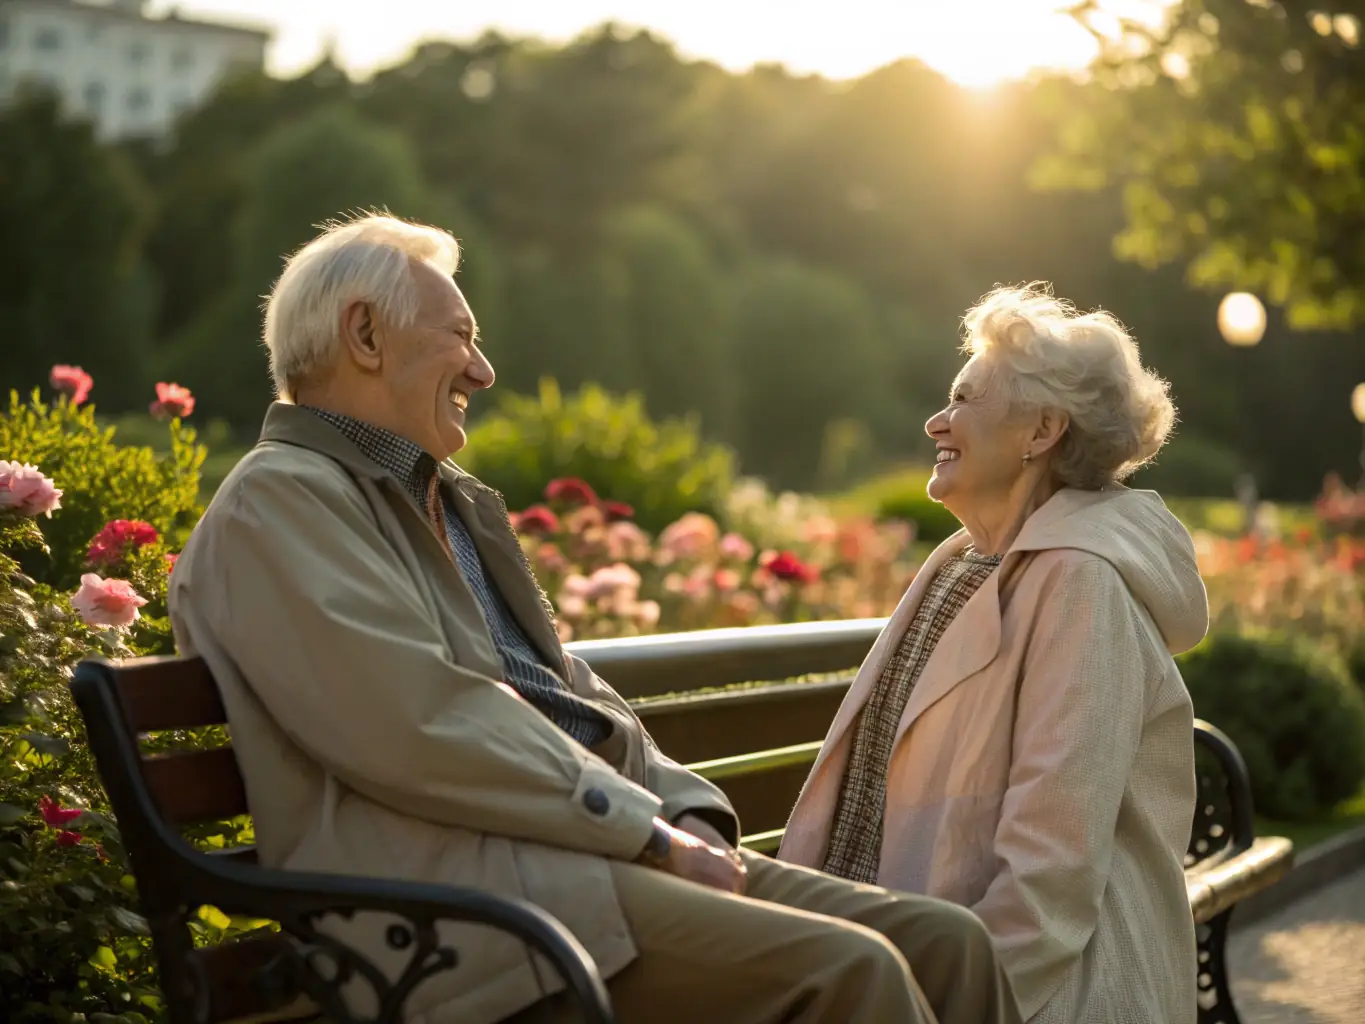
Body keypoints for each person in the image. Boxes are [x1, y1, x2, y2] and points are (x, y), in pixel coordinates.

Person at [168, 213, 1020, 1024]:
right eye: (460, 335)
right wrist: (645, 833)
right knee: (855, 972)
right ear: (364, 335)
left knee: (948, 942)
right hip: (453, 917)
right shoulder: (278, 504)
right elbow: (420, 722)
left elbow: (564, 689)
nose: (482, 371)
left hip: (565, 863)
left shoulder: (433, 497)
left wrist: (680, 810)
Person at [779, 283, 1207, 1024]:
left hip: (1029, 993)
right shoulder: (968, 561)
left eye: (964, 400)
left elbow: (1053, 863)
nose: (935, 421)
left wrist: (949, 998)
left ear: (1041, 430)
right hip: (913, 959)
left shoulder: (1079, 581)